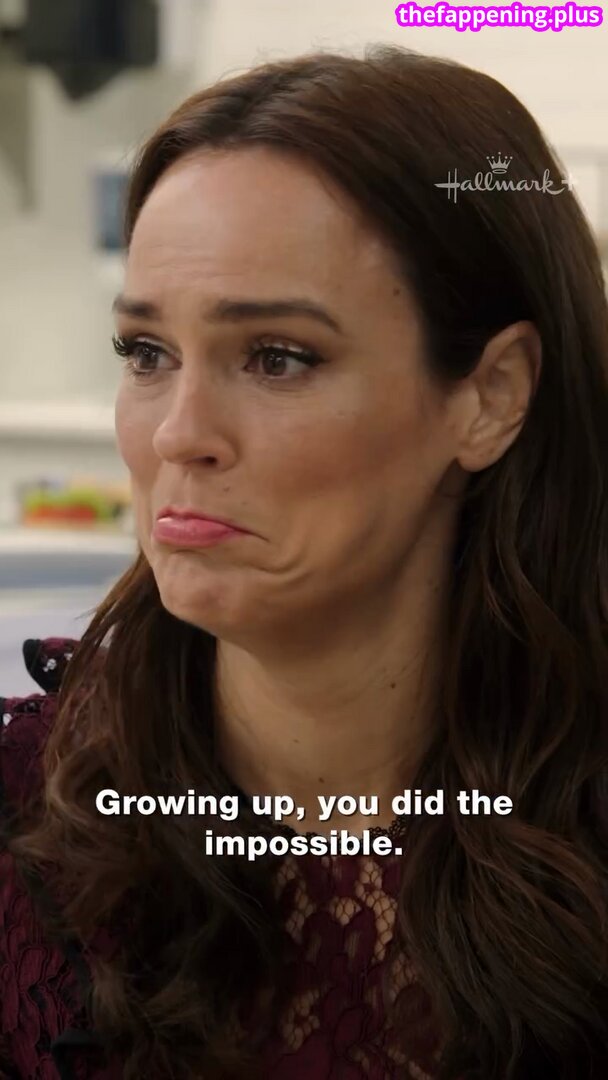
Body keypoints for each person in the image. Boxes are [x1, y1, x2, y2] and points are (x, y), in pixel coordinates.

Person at [1, 43, 607, 1080]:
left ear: (490, 395)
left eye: (276, 357)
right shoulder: (28, 819)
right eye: (146, 354)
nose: (179, 434)